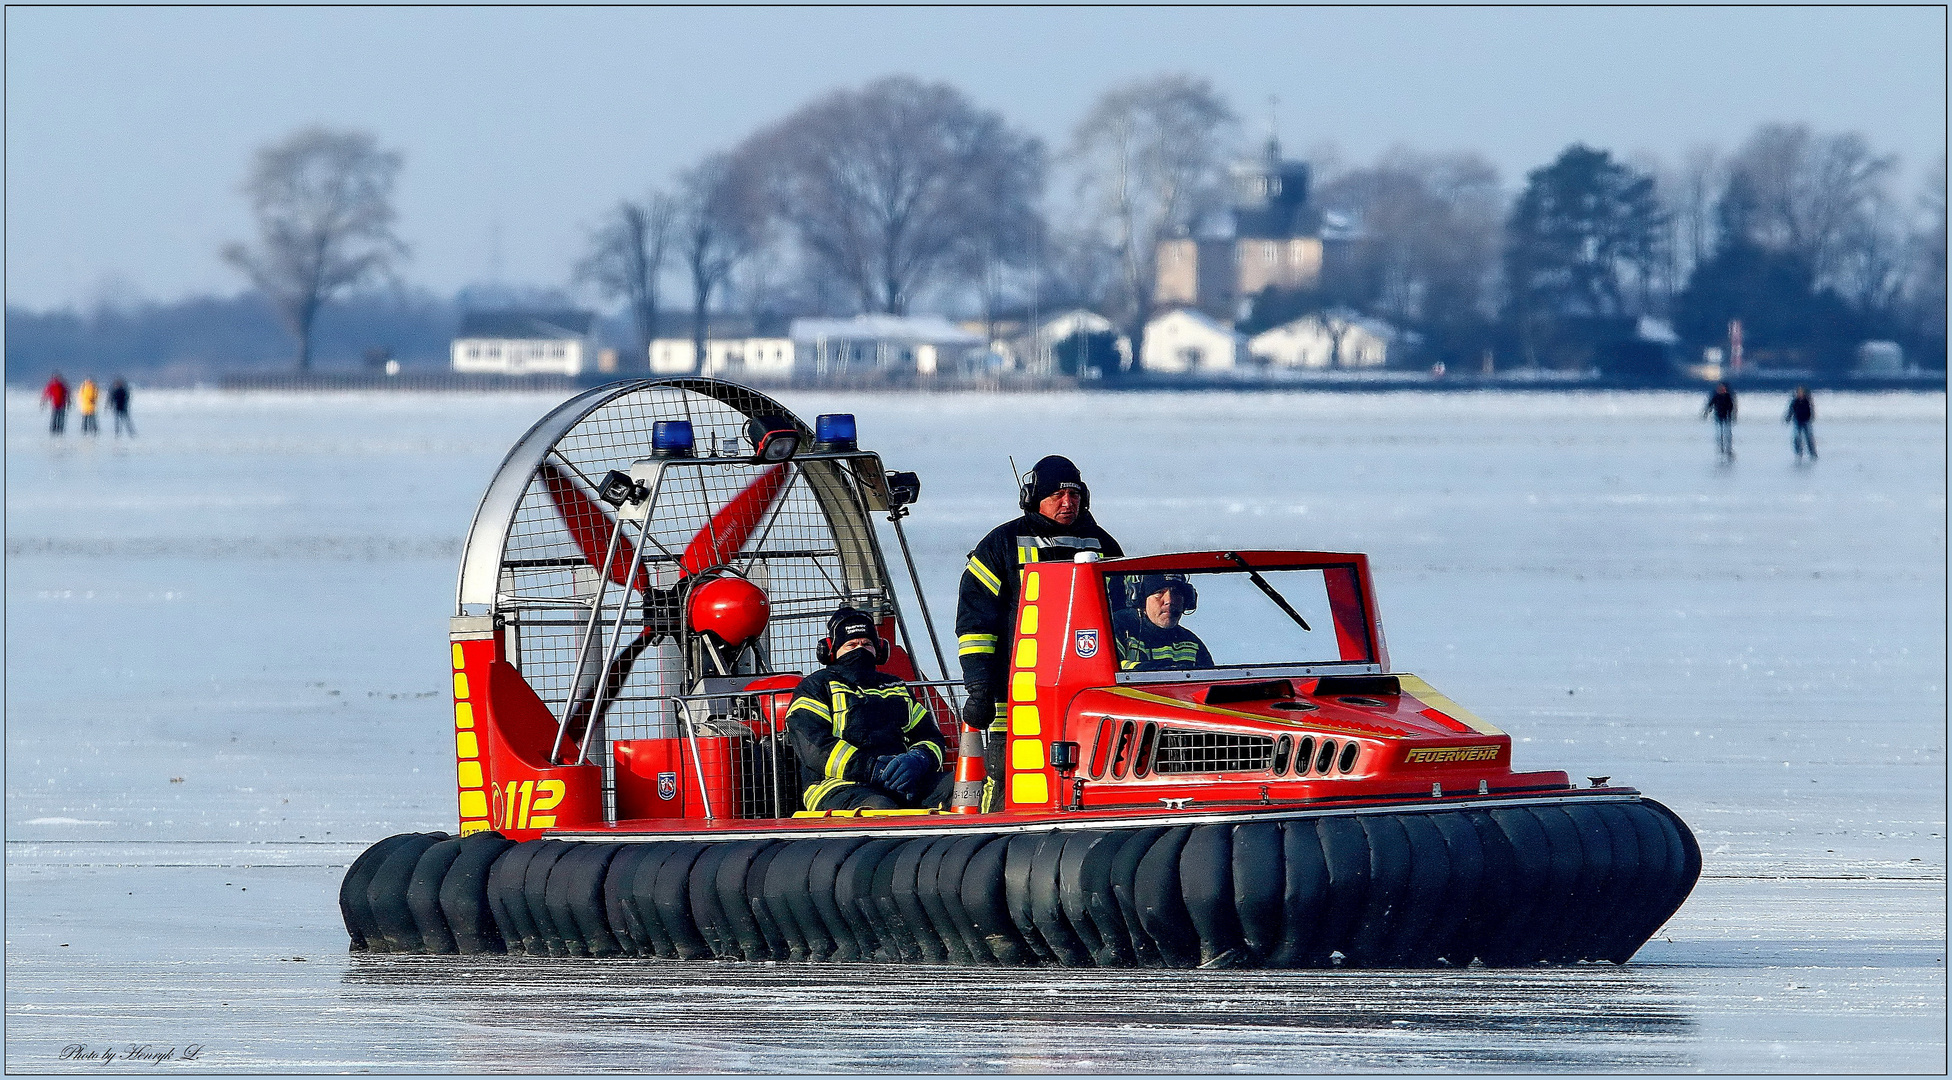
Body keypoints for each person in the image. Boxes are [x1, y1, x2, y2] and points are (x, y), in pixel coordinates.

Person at [955, 455, 1123, 812]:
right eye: (1057, 495)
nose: (1068, 502)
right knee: (1010, 776)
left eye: (1074, 495)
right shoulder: (1000, 545)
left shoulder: (1104, 546)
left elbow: (1123, 619)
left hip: (1086, 695)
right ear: (1034, 497)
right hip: (1017, 693)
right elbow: (976, 626)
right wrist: (981, 689)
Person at [786, 606, 951, 812]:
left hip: (903, 783)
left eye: (866, 644)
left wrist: (918, 760)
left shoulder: (897, 687)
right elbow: (814, 747)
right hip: (836, 785)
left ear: (879, 649)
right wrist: (872, 769)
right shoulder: (816, 687)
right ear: (831, 651)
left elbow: (930, 737)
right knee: (880, 809)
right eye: (851, 644)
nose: (860, 649)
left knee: (966, 787)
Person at [1113, 574, 1214, 671]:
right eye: (1159, 592)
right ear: (1141, 600)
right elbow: (1106, 669)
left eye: (1176, 592)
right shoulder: (1117, 627)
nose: (1169, 600)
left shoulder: (1192, 643)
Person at [1703, 382, 1737, 458]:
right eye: (1720, 388)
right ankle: (1721, 447)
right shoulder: (1716, 396)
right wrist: (1706, 412)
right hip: (1719, 416)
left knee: (1728, 432)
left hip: (1727, 416)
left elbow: (1731, 406)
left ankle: (1728, 447)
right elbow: (1710, 404)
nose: (1721, 389)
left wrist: (1733, 415)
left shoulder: (1727, 396)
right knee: (1720, 432)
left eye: (1722, 388)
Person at [1785, 386, 1816, 460]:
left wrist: (1811, 417)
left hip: (1806, 421)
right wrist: (1788, 417)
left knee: (1809, 437)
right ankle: (1798, 452)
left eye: (1801, 392)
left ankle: (1812, 452)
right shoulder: (1795, 401)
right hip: (1797, 421)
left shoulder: (1807, 401)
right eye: (1798, 392)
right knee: (1796, 437)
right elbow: (1791, 410)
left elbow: (1811, 409)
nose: (1799, 394)